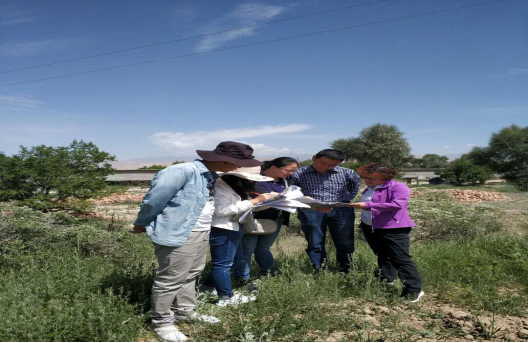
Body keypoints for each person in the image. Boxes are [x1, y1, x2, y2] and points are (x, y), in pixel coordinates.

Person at [131, 142, 263, 343]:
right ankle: (161, 321)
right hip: (179, 231)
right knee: (171, 278)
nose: (238, 168)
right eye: (238, 164)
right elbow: (153, 200)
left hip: (200, 230)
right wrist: (142, 222)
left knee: (192, 273)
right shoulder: (182, 171)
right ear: (227, 160)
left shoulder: (210, 176)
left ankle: (185, 311)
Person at [200, 167, 277, 306]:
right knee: (223, 264)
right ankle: (226, 297)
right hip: (223, 228)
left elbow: (242, 206)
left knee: (235, 261)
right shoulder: (221, 186)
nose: (251, 182)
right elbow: (221, 210)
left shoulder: (235, 186)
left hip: (235, 227)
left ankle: (207, 289)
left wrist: (266, 202)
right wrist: (255, 201)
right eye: (248, 179)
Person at [351, 163, 424, 303]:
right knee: (383, 255)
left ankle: (414, 290)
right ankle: (387, 280)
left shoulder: (397, 187)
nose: (367, 180)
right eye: (365, 177)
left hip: (393, 228)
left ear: (384, 176)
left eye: (371, 178)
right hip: (371, 227)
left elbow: (398, 204)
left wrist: (368, 206)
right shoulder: (370, 188)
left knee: (400, 259)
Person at [288, 149, 359, 273]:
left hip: (341, 210)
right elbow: (291, 192)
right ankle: (319, 270)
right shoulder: (297, 174)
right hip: (311, 210)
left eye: (332, 165)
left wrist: (341, 200)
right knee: (315, 242)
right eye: (322, 163)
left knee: (345, 242)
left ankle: (347, 270)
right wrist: (308, 201)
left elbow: (353, 190)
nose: (326, 167)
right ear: (314, 157)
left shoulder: (348, 173)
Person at [234, 157, 300, 284]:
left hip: (275, 219)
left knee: (263, 248)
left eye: (293, 171)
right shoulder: (254, 177)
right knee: (247, 249)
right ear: (273, 167)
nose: (290, 173)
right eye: (287, 170)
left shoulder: (287, 181)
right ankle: (243, 279)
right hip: (252, 218)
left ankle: (269, 275)